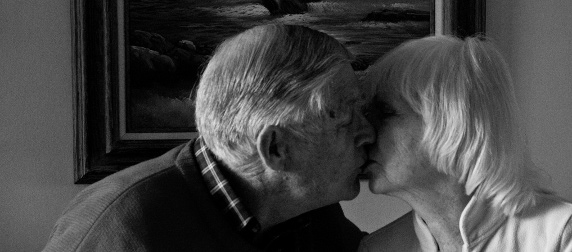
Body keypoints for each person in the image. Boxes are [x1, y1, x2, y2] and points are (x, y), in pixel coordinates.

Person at [43, 24, 375, 252]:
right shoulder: (125, 228)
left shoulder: (306, 207)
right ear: (277, 148)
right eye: (344, 117)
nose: (368, 132)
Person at [358, 35, 572, 252]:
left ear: (453, 122)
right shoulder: (377, 248)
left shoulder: (560, 235)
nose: (366, 132)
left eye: (385, 112)